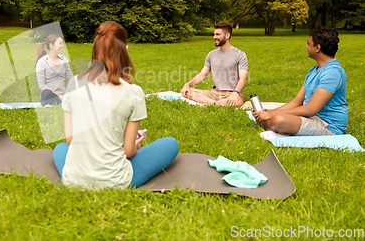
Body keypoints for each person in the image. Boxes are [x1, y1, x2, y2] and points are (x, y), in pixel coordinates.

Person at [53, 21, 179, 189]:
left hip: (73, 179)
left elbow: (70, 139)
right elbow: (127, 152)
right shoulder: (133, 92)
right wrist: (135, 145)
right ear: (124, 49)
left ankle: (79, 174)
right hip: (115, 180)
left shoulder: (74, 83)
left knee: (60, 148)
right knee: (170, 144)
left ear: (95, 48)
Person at [253, 26, 347, 136]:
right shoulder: (314, 70)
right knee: (270, 119)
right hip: (311, 118)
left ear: (317, 47)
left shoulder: (333, 72)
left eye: (308, 43)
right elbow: (296, 102)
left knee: (278, 120)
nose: (306, 46)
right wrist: (268, 112)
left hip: (329, 125)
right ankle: (271, 123)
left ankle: (272, 123)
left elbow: (310, 109)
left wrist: (273, 114)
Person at [181, 22, 248, 106]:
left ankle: (211, 102)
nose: (214, 37)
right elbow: (202, 75)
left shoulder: (240, 55)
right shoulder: (211, 55)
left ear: (227, 36)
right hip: (214, 94)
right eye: (214, 34)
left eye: (217, 34)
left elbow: (243, 78)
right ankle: (215, 103)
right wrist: (187, 84)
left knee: (236, 101)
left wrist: (236, 92)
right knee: (187, 92)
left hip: (231, 93)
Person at [35, 34, 74, 106]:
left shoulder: (64, 60)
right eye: (60, 43)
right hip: (50, 95)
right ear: (51, 45)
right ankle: (60, 102)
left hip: (64, 95)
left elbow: (71, 79)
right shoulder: (42, 62)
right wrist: (59, 96)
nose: (62, 46)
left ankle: (65, 101)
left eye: (62, 43)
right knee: (46, 93)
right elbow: (41, 85)